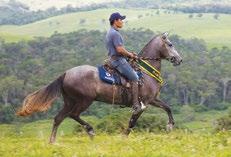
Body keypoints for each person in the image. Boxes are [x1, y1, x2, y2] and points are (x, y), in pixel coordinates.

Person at [105, 12, 142, 114]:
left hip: (112, 59)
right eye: (121, 20)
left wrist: (129, 54)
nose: (122, 22)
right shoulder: (115, 34)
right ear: (115, 21)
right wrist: (130, 55)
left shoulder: (110, 32)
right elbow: (120, 50)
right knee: (135, 78)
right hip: (118, 61)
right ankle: (135, 105)